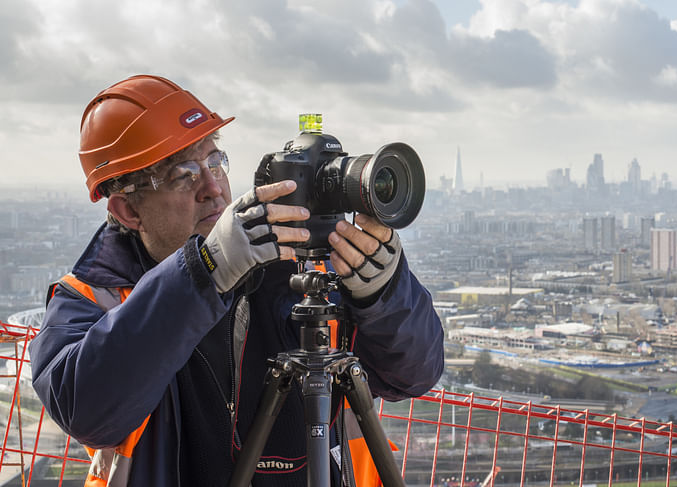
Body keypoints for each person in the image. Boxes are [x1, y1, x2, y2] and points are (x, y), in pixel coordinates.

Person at [29, 75, 443, 486]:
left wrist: (385, 294)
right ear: (127, 210)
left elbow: (414, 373)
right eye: (182, 174)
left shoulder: (290, 267)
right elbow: (85, 409)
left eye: (215, 162)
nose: (212, 187)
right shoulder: (91, 297)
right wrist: (203, 271)